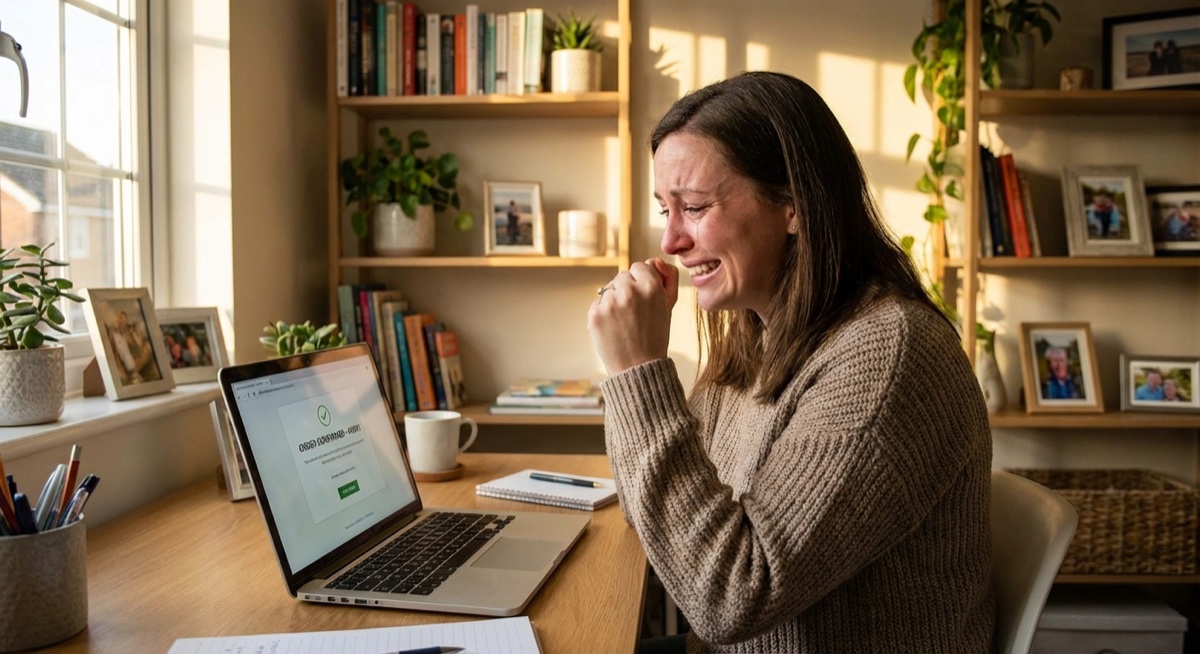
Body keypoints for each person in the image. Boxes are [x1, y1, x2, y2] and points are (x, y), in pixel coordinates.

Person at [587, 71, 993, 652]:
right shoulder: (754, 337)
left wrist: (638, 374)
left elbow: (730, 598)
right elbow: (651, 513)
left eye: (694, 207)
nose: (670, 242)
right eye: (665, 210)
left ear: (795, 206)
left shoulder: (889, 356)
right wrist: (630, 375)